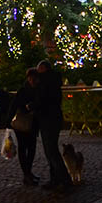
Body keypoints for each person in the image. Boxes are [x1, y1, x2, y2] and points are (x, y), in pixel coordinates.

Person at [35, 60, 73, 190]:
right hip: (54, 117)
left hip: (48, 118)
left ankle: (64, 180)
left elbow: (42, 100)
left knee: (51, 150)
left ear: (43, 69)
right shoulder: (54, 81)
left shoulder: (45, 83)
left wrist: (34, 105)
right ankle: (56, 179)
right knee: (50, 150)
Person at [9, 69, 40, 185]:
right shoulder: (26, 90)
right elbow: (15, 105)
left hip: (30, 123)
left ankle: (28, 172)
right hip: (25, 123)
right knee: (25, 148)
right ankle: (27, 174)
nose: (32, 80)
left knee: (30, 148)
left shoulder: (29, 90)